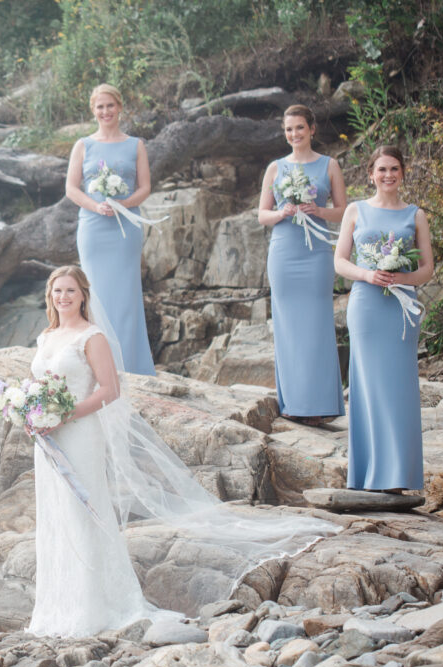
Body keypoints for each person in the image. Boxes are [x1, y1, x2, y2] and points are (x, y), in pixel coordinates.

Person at [27, 266, 338, 637]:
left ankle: (93, 607)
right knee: (56, 515)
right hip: (48, 437)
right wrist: (31, 413)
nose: (63, 297)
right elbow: (37, 384)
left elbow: (109, 389)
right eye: (57, 291)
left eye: (70, 290)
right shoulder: (46, 336)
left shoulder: (91, 337)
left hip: (78, 433)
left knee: (85, 514)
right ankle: (57, 607)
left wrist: (65, 414)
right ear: (50, 296)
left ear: (83, 295)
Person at [334, 146, 433, 492]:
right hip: (366, 306)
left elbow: (427, 269)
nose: (388, 175)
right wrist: (367, 275)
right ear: (371, 174)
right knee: (368, 386)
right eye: (381, 169)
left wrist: (400, 278)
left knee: (399, 388)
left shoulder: (415, 215)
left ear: (403, 173)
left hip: (401, 310)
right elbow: (340, 261)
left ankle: (397, 475)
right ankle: (368, 474)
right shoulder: (355, 211)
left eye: (394, 169)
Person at [258, 104, 347, 425]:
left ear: (312, 129)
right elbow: (262, 215)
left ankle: (321, 404)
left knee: (317, 324)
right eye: (288, 129)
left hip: (317, 253)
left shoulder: (329, 166)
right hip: (284, 253)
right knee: (288, 326)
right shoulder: (275, 168)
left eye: (299, 128)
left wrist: (317, 210)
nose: (294, 134)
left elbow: (343, 212)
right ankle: (294, 402)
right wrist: (283, 212)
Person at [65, 83, 156, 376]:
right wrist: (96, 207)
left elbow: (145, 187)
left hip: (125, 228)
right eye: (100, 107)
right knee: (94, 293)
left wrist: (123, 204)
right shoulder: (83, 145)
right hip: (93, 228)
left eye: (110, 106)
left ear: (120, 107)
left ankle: (130, 365)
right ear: (93, 110)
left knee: (126, 295)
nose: (106, 112)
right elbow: (71, 188)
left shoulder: (136, 145)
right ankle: (94, 366)